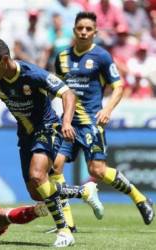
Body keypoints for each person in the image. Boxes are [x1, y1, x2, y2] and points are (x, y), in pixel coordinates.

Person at [0, 38, 104, 247]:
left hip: (47, 128)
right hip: (25, 135)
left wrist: (67, 122)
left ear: (4, 60)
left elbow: (68, 94)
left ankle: (65, 231)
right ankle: (84, 191)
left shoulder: (33, 74)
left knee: (37, 176)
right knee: (37, 192)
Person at [53, 11, 155, 228]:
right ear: (74, 30)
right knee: (56, 166)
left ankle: (140, 198)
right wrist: (63, 120)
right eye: (80, 28)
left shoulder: (101, 57)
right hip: (68, 123)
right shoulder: (62, 58)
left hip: (91, 122)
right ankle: (68, 224)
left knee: (97, 170)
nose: (83, 32)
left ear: (95, 33)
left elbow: (119, 86)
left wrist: (107, 109)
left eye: (88, 29)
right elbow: (61, 91)